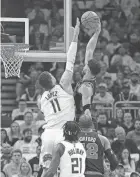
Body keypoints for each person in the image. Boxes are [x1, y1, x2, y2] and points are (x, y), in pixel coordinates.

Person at [37, 18, 80, 170]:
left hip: (48, 134)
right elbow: (71, 60)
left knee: (46, 169)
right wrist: (75, 36)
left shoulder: (41, 99)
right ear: (51, 78)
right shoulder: (63, 85)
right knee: (66, 168)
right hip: (64, 133)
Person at [75, 20, 101, 118]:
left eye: (87, 64)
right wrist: (97, 33)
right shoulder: (89, 74)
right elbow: (89, 49)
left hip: (77, 117)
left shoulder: (87, 87)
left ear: (89, 70)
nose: (85, 64)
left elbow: (86, 101)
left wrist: (86, 111)